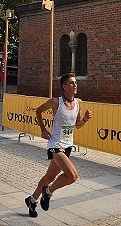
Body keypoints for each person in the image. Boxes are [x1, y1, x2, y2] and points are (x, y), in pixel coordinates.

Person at [25, 73, 92, 218]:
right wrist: (43, 130)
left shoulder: (78, 103)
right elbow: (38, 111)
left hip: (67, 145)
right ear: (64, 86)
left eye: (75, 83)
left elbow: (77, 126)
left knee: (49, 177)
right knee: (72, 176)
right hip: (55, 144)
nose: (75, 85)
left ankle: (31, 200)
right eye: (72, 83)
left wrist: (85, 119)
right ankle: (47, 192)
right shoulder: (56, 102)